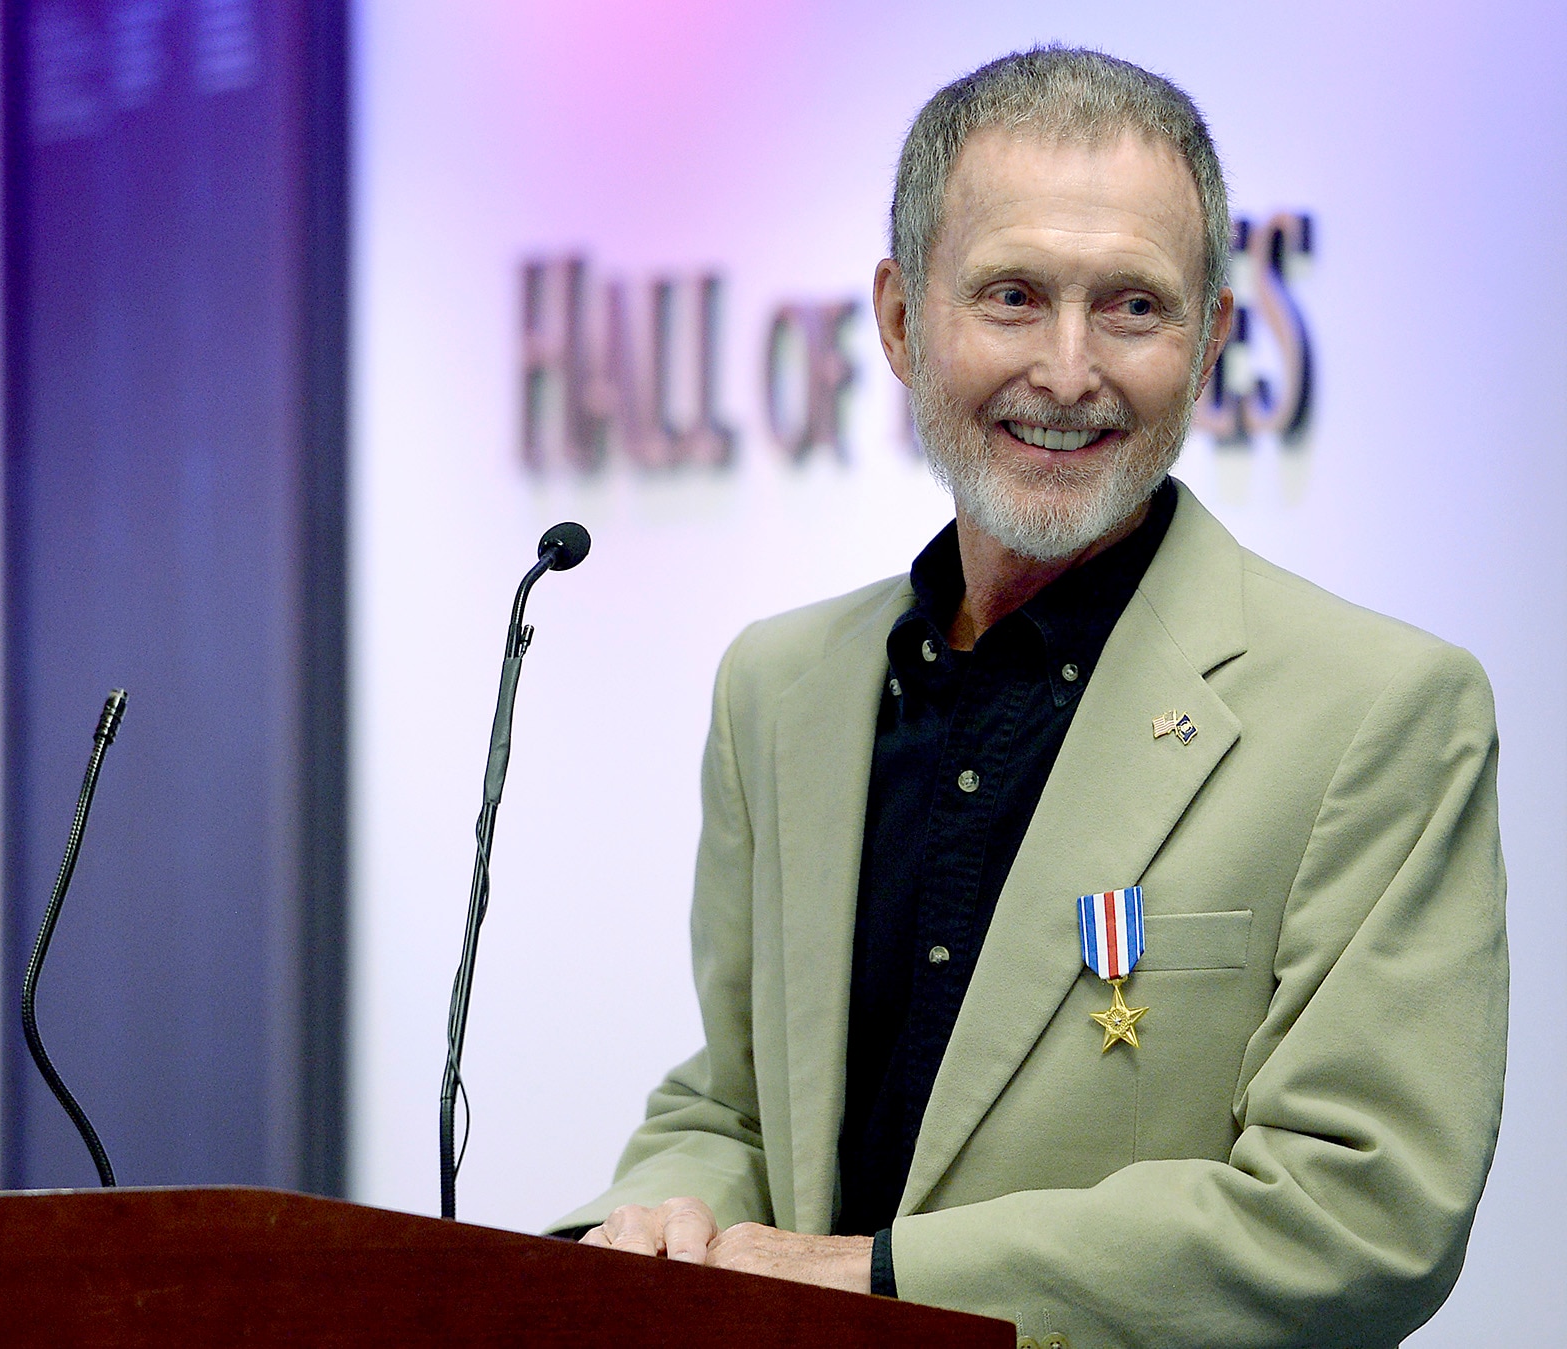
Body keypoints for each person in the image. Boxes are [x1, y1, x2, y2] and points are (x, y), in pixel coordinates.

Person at [551, 46, 1507, 1349]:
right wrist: (654, 1225)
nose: (1069, 370)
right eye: (1012, 296)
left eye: (1133, 307)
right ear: (899, 320)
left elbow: (1361, 1212)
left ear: (1215, 336)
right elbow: (733, 1110)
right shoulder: (780, 691)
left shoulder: (1382, 711)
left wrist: (879, 1277)